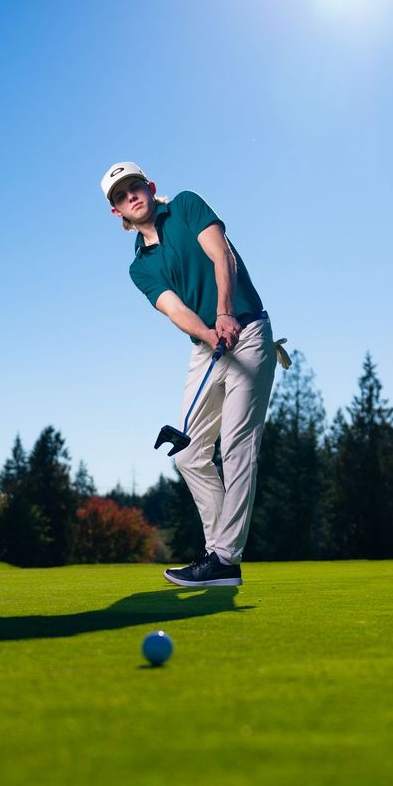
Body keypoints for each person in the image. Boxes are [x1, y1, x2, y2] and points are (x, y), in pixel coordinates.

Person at [100, 162, 285, 587]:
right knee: (187, 453)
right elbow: (175, 310)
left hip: (250, 333)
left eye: (135, 186)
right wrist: (207, 331)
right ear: (117, 212)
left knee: (236, 446)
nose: (131, 196)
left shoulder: (185, 205)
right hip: (207, 350)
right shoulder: (140, 267)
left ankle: (223, 557)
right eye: (120, 195)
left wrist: (223, 313)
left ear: (150, 186)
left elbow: (223, 255)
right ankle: (220, 553)